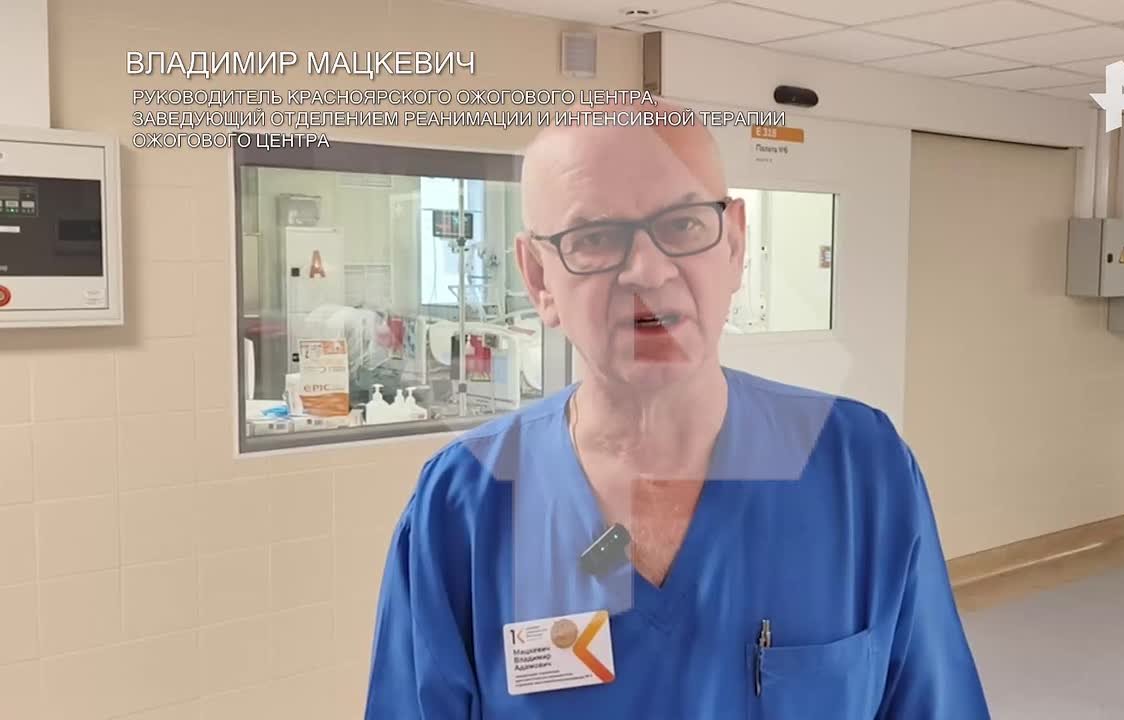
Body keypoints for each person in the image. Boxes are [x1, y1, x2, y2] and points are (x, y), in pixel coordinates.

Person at [364, 99, 990, 719]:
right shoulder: (466, 505)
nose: (648, 270)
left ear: (735, 245)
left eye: (684, 225)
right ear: (538, 279)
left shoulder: (858, 469)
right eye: (594, 237)